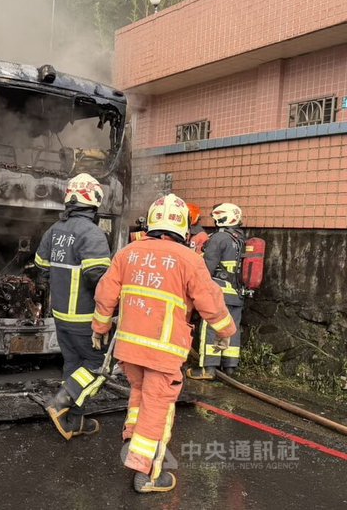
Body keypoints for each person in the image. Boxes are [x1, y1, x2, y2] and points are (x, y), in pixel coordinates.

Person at [91, 193, 235, 493]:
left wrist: (100, 327)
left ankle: (132, 436)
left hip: (129, 348)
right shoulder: (189, 260)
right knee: (158, 408)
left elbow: (106, 294)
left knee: (139, 393)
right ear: (183, 226)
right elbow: (210, 302)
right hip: (164, 350)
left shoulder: (128, 253)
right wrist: (225, 332)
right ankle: (149, 474)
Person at [36, 173, 112, 439]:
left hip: (60, 314)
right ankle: (60, 403)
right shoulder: (92, 233)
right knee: (97, 365)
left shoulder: (53, 231)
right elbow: (98, 278)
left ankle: (74, 422)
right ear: (95, 201)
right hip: (84, 315)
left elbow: (41, 268)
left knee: (73, 366)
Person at [188, 202, 245, 379]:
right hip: (237, 293)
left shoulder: (219, 238)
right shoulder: (240, 238)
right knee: (232, 328)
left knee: (212, 327)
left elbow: (207, 268)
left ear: (221, 217)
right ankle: (230, 367)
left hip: (219, 292)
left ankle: (208, 369)